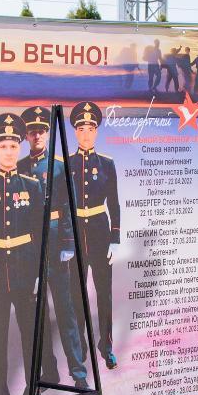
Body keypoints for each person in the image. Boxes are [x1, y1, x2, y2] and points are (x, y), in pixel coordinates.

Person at [0, 113, 61, 395]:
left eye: (13, 145)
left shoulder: (32, 186)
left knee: (33, 338)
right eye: (3, 145)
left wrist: (42, 273)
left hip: (27, 272)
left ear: (19, 147)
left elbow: (40, 235)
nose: (9, 150)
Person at [17, 106, 83, 388]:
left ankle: (78, 373)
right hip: (31, 246)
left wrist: (68, 242)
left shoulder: (59, 166)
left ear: (47, 133)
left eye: (41, 130)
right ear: (26, 136)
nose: (37, 136)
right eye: (31, 132)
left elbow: (70, 205)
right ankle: (50, 372)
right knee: (38, 311)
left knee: (65, 309)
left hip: (56, 243)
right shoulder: (18, 167)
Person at [69, 102, 121, 370]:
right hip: (75, 234)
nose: (86, 133)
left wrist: (115, 239)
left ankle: (106, 344)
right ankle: (80, 344)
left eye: (91, 128)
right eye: (81, 128)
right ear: (75, 132)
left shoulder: (107, 164)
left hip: (101, 232)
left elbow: (114, 203)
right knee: (77, 294)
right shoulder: (66, 164)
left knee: (104, 294)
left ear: (97, 131)